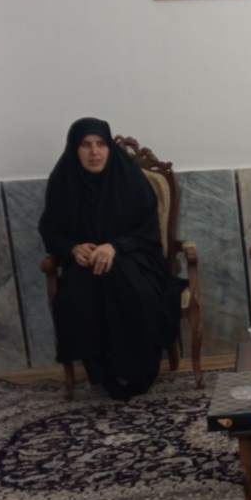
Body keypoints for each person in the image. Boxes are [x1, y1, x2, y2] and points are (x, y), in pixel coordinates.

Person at [38, 118, 184, 400]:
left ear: (109, 148)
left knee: (135, 291)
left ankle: (140, 370)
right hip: (85, 265)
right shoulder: (63, 182)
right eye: (86, 145)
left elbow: (148, 230)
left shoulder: (129, 179)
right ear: (75, 149)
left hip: (135, 259)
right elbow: (51, 230)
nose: (94, 152)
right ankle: (103, 373)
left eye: (100, 144)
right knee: (80, 295)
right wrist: (73, 248)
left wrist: (116, 246)